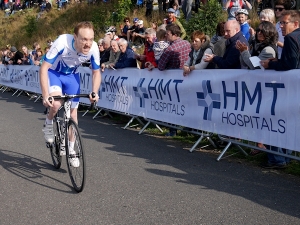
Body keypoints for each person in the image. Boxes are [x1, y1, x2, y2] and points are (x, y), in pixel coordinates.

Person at [39, 21, 100, 167]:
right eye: (84, 39)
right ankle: (48, 123)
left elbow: (96, 72)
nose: (88, 43)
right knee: (56, 104)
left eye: (91, 39)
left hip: (72, 76)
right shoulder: (62, 43)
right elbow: (44, 68)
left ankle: (71, 150)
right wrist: (45, 94)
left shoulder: (94, 48)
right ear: (75, 37)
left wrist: (94, 92)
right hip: (54, 74)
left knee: (73, 115)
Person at [157, 23, 190, 137]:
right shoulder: (187, 43)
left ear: (175, 35)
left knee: (173, 106)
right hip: (188, 79)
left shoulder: (170, 49)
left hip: (173, 81)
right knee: (186, 104)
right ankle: (187, 129)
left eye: (168, 34)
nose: (166, 36)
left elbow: (160, 66)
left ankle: (173, 130)